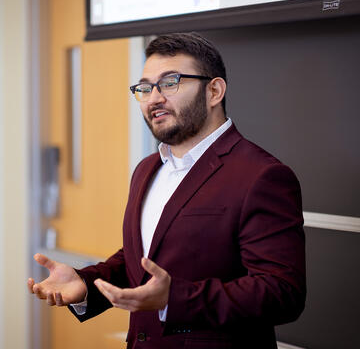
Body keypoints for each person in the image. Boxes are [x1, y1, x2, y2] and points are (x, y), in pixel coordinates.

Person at [28, 32, 306, 348]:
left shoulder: (262, 175)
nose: (154, 98)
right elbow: (146, 257)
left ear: (214, 91)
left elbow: (283, 293)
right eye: (145, 88)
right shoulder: (148, 168)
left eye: (170, 83)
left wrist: (174, 299)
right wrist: (88, 282)